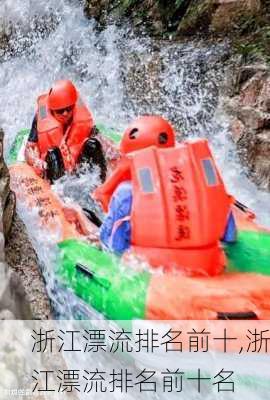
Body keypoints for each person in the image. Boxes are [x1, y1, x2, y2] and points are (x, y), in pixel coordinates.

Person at [94, 115, 237, 277]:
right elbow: (230, 237)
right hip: (209, 266)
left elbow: (114, 247)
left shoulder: (126, 192)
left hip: (152, 272)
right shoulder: (202, 184)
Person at [25, 79, 107, 182]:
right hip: (56, 169)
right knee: (53, 154)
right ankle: (59, 193)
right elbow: (29, 149)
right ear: (51, 110)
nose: (65, 114)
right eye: (60, 111)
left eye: (69, 109)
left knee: (93, 145)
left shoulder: (81, 116)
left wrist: (110, 149)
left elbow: (98, 136)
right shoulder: (41, 117)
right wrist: (36, 161)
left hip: (79, 166)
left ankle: (100, 184)